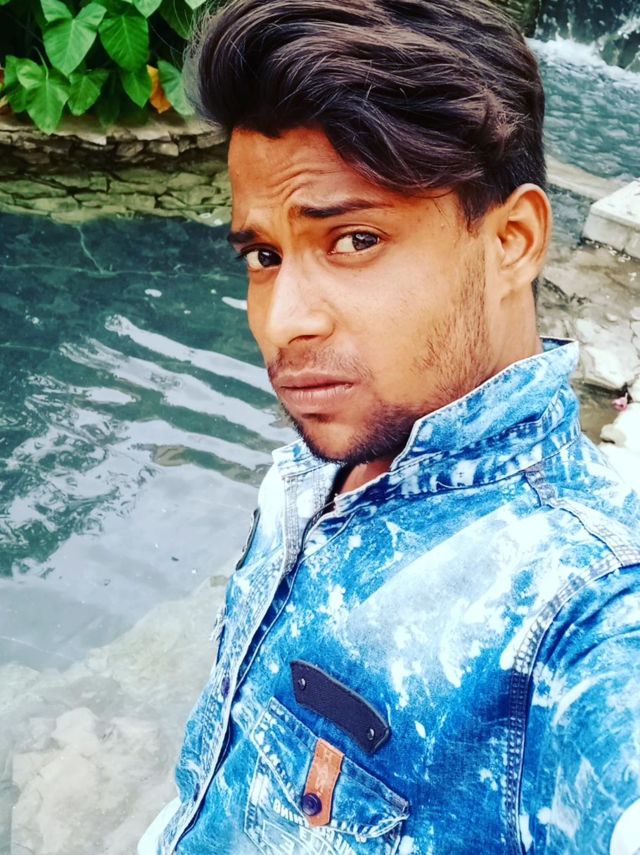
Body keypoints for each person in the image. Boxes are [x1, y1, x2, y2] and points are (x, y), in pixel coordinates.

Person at [140, 0, 640, 852]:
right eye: (264, 256)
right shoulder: (312, 470)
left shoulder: (581, 614)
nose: (282, 321)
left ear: (512, 241)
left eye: (354, 240)